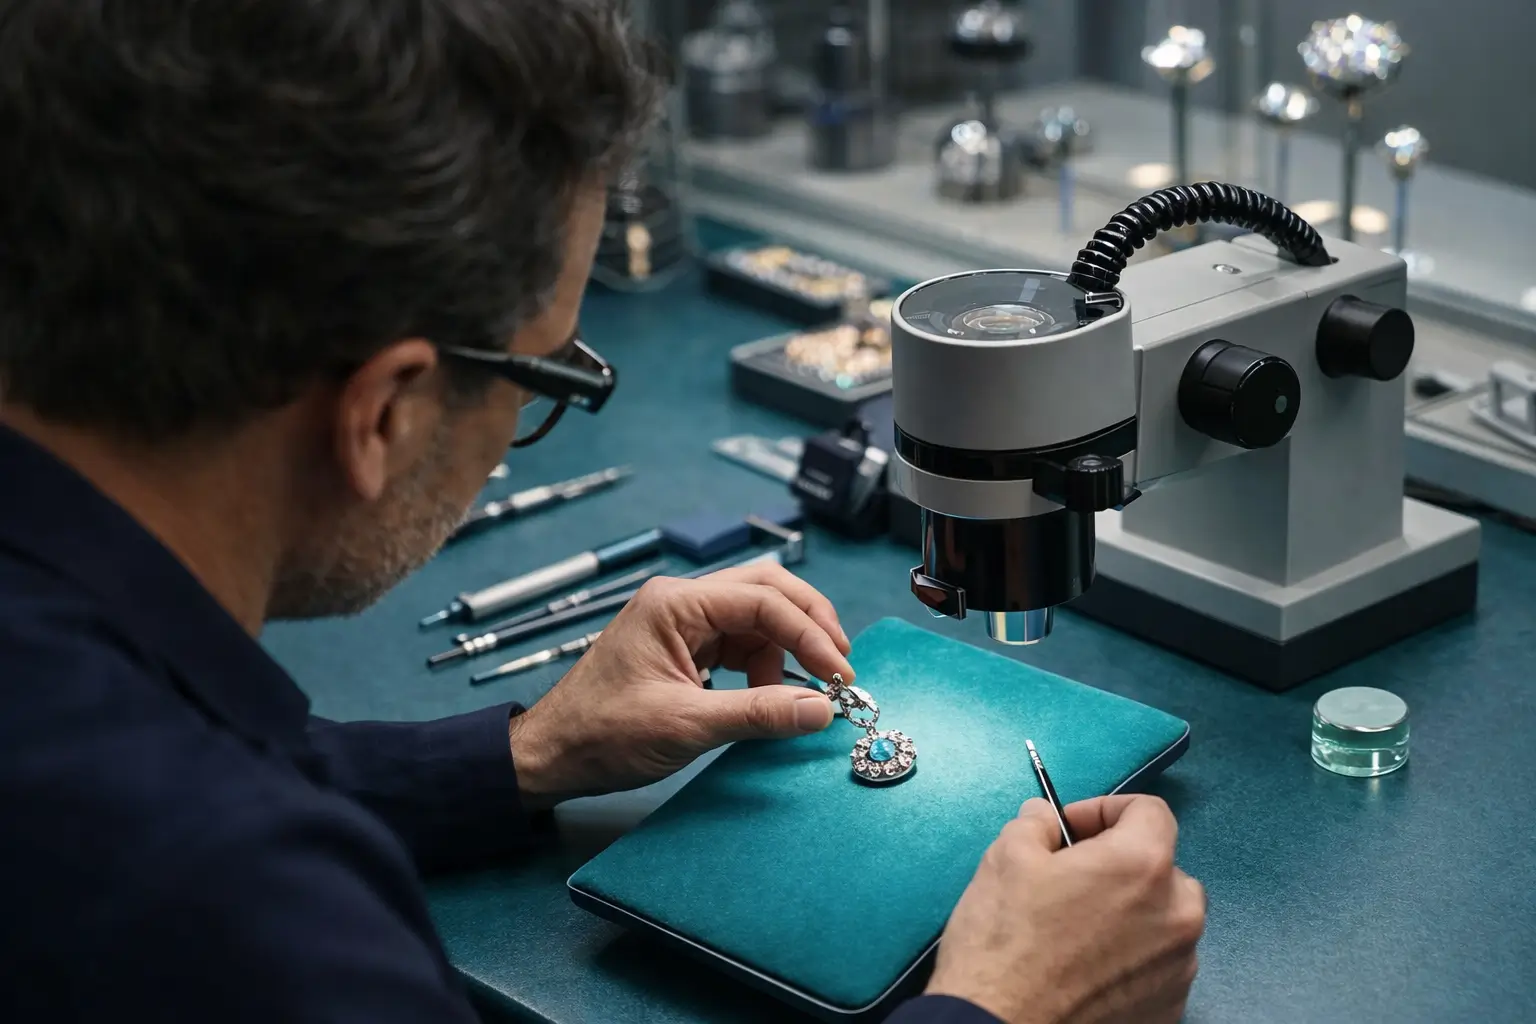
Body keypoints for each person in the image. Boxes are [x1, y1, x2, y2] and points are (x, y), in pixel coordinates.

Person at [0, 1, 1206, 1021]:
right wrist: (1001, 1004)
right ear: (383, 415)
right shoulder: (240, 917)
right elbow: (186, 841)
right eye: (549, 378)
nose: (550, 399)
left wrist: (524, 757)